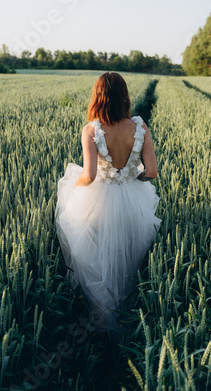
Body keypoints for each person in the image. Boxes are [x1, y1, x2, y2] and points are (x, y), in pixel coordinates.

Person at [54, 72, 161, 335]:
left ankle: (103, 321)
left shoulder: (92, 130)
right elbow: (153, 172)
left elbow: (89, 175)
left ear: (98, 96)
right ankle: (129, 320)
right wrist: (133, 177)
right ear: (124, 96)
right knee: (127, 259)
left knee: (101, 259)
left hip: (99, 200)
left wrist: (72, 190)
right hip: (132, 200)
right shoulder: (140, 127)